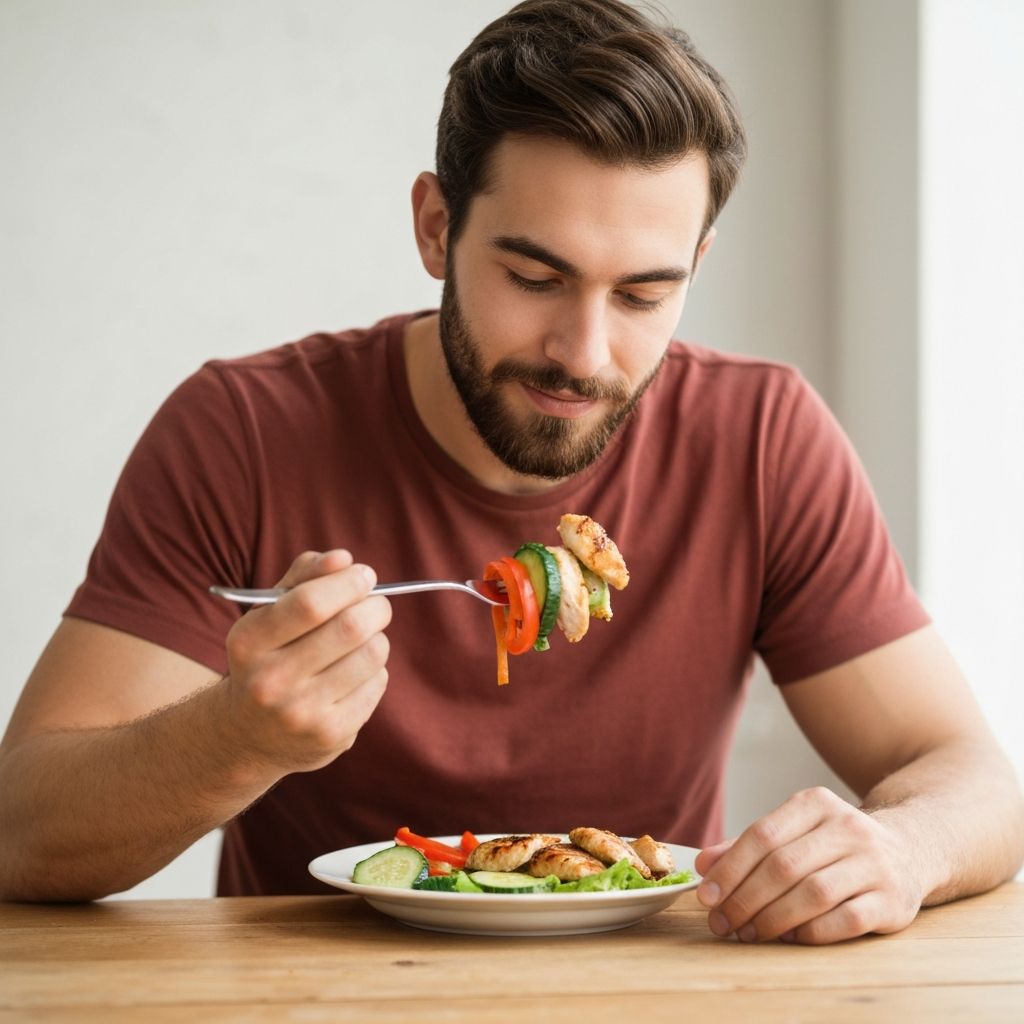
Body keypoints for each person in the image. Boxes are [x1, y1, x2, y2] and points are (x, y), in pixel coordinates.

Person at [1, 0, 1021, 945]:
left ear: (696, 267)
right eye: (536, 278)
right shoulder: (246, 432)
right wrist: (237, 736)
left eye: (642, 296)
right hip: (320, 998)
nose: (583, 352)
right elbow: (22, 831)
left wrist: (903, 847)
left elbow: (974, 779)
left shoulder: (760, 436)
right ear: (437, 227)